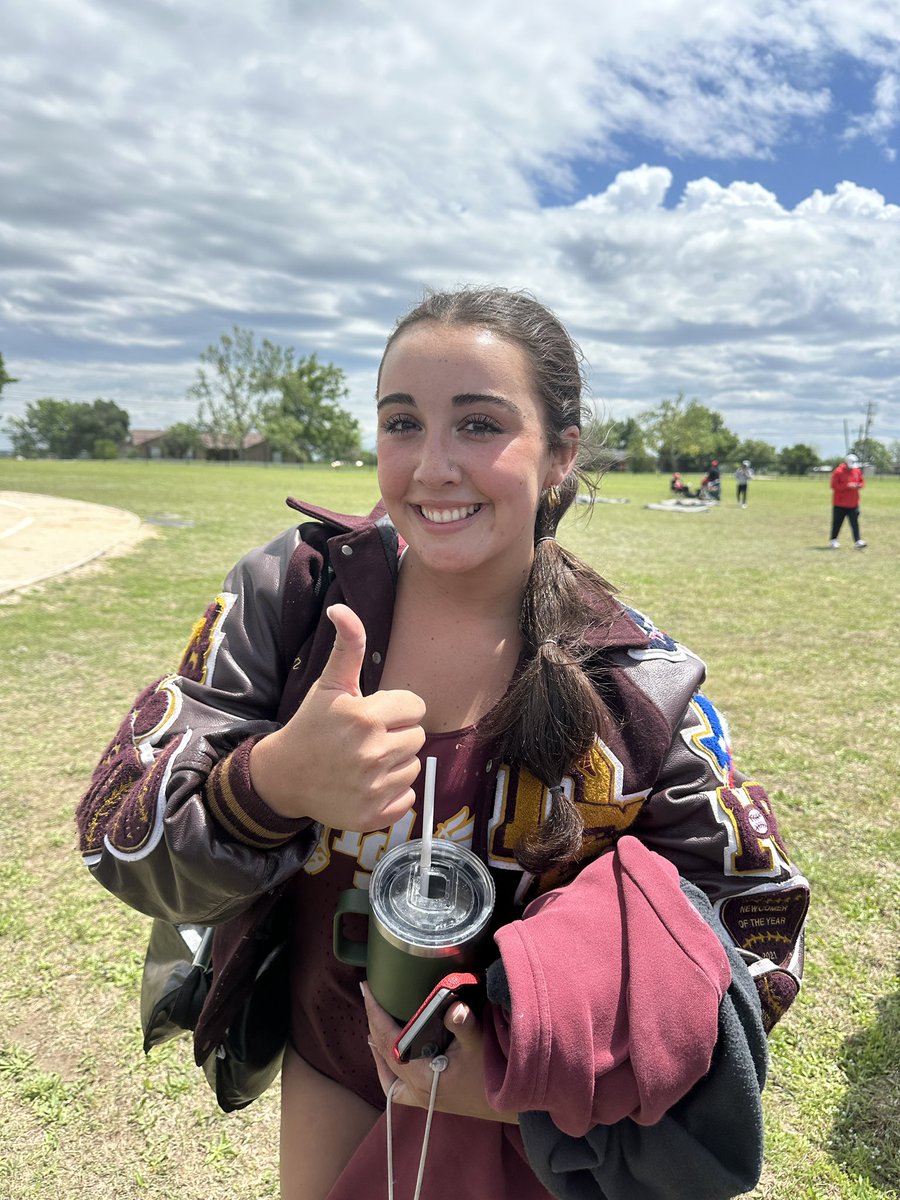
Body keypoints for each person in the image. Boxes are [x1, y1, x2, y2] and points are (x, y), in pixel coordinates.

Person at [77, 287, 809, 1200]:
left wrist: (527, 1080)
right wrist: (268, 785)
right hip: (332, 1067)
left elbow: (757, 925)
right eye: (401, 422)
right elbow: (116, 834)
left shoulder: (637, 681)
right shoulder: (293, 601)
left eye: (478, 426)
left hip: (534, 1136)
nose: (431, 466)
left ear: (560, 455)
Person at [829, 453, 866, 548]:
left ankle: (858, 541)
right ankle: (833, 540)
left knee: (855, 523)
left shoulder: (857, 471)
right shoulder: (838, 472)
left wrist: (858, 485)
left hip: (853, 502)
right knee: (837, 523)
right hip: (840, 503)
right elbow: (834, 486)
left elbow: (861, 482)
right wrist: (847, 486)